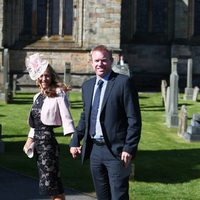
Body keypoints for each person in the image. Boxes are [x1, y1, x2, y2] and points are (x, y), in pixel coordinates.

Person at [69, 45, 142, 200]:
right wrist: (75, 140)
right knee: (102, 197)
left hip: (116, 151)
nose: (100, 64)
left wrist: (129, 148)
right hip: (95, 150)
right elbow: (85, 116)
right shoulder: (87, 86)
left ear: (111, 61)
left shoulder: (123, 83)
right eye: (96, 61)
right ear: (91, 63)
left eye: (104, 60)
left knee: (118, 196)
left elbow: (134, 119)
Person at [23, 53, 75, 200]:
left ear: (51, 77)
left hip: (48, 145)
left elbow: (67, 118)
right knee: (52, 183)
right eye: (41, 75)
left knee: (51, 184)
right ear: (37, 77)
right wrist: (29, 141)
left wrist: (74, 141)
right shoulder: (37, 97)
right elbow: (35, 124)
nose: (44, 78)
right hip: (38, 145)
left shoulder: (58, 94)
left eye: (47, 75)